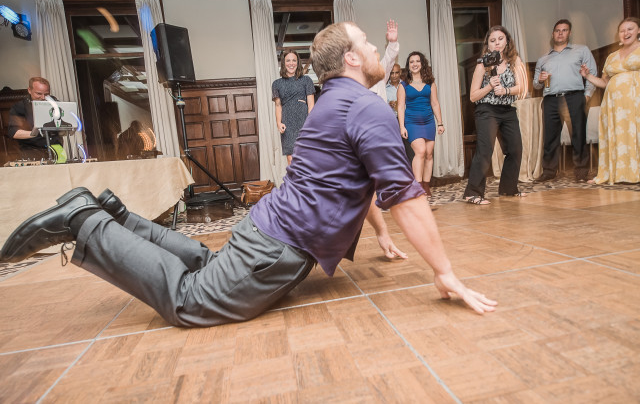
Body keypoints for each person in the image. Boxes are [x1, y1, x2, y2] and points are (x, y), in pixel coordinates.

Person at [0, 22, 497, 328]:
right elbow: (406, 196)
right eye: (367, 43)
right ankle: (87, 222)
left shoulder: (333, 103)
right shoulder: (366, 108)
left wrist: (382, 234)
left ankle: (116, 217)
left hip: (267, 231)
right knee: (189, 300)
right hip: (275, 247)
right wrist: (444, 271)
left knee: (202, 264)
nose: (374, 50)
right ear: (350, 58)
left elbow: (352, 182)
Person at [463, 26, 527, 205]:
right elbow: (473, 96)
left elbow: (522, 87)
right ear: (488, 44)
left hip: (507, 109)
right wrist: (489, 86)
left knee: (515, 149)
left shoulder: (515, 61)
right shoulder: (482, 64)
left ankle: (508, 189)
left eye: (500, 39)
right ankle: (472, 193)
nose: (497, 43)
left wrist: (506, 90)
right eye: (492, 40)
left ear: (507, 41)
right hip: (487, 110)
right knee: (485, 151)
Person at [533, 19, 597, 182]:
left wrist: (587, 95)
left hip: (574, 96)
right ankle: (549, 171)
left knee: (578, 135)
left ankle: (581, 171)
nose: (560, 33)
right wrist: (540, 80)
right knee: (550, 137)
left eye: (564, 30)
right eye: (557, 30)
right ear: (552, 34)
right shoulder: (543, 59)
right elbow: (536, 85)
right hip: (551, 99)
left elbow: (592, 73)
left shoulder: (581, 50)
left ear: (569, 33)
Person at [580, 17, 640, 184]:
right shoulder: (612, 56)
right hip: (613, 105)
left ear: (638, 31)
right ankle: (619, 173)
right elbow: (604, 82)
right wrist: (587, 76)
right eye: (622, 30)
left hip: (635, 101)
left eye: (630, 29)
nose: (626, 33)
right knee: (617, 136)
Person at [397, 51, 444, 196]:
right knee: (421, 151)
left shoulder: (430, 83)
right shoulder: (403, 85)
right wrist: (402, 126)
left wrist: (440, 123)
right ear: (408, 65)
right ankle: (417, 186)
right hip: (412, 122)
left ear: (422, 64)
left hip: (429, 121)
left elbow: (435, 103)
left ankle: (426, 185)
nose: (415, 64)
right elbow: (400, 106)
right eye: (411, 62)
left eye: (417, 61)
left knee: (429, 154)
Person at [272, 49, 315, 165]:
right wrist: (278, 123)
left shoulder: (306, 80)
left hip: (304, 121)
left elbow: (311, 105)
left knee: (307, 157)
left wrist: (310, 123)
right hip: (288, 123)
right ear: (283, 63)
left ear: (298, 62)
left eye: (294, 60)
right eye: (288, 61)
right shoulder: (277, 84)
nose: (291, 63)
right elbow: (278, 105)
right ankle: (294, 178)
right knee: (291, 159)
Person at [8, 77, 63, 159]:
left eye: (46, 94)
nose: (43, 97)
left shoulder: (54, 102)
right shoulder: (19, 107)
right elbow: (13, 133)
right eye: (39, 94)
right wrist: (37, 132)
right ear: (29, 90)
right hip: (31, 151)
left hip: (57, 148)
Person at [387, 63, 415, 162]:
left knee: (409, 147)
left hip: (407, 119)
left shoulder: (407, 86)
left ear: (400, 72)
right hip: (392, 121)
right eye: (392, 73)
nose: (394, 75)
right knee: (394, 148)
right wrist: (388, 105)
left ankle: (412, 169)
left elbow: (413, 101)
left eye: (396, 72)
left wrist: (402, 103)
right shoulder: (384, 88)